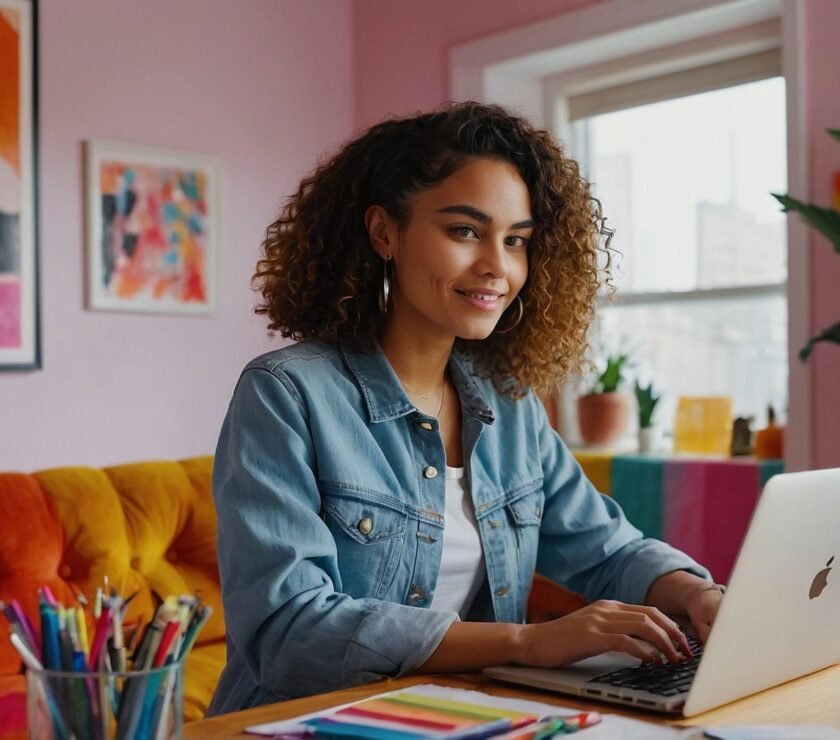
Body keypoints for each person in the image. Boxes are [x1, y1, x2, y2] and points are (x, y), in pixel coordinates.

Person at [207, 101, 723, 716]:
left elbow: (606, 551)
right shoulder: (286, 394)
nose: (497, 267)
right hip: (302, 723)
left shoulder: (510, 404)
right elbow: (287, 630)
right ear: (384, 233)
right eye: (465, 231)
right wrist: (530, 643)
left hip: (460, 719)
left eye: (516, 241)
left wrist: (698, 594)